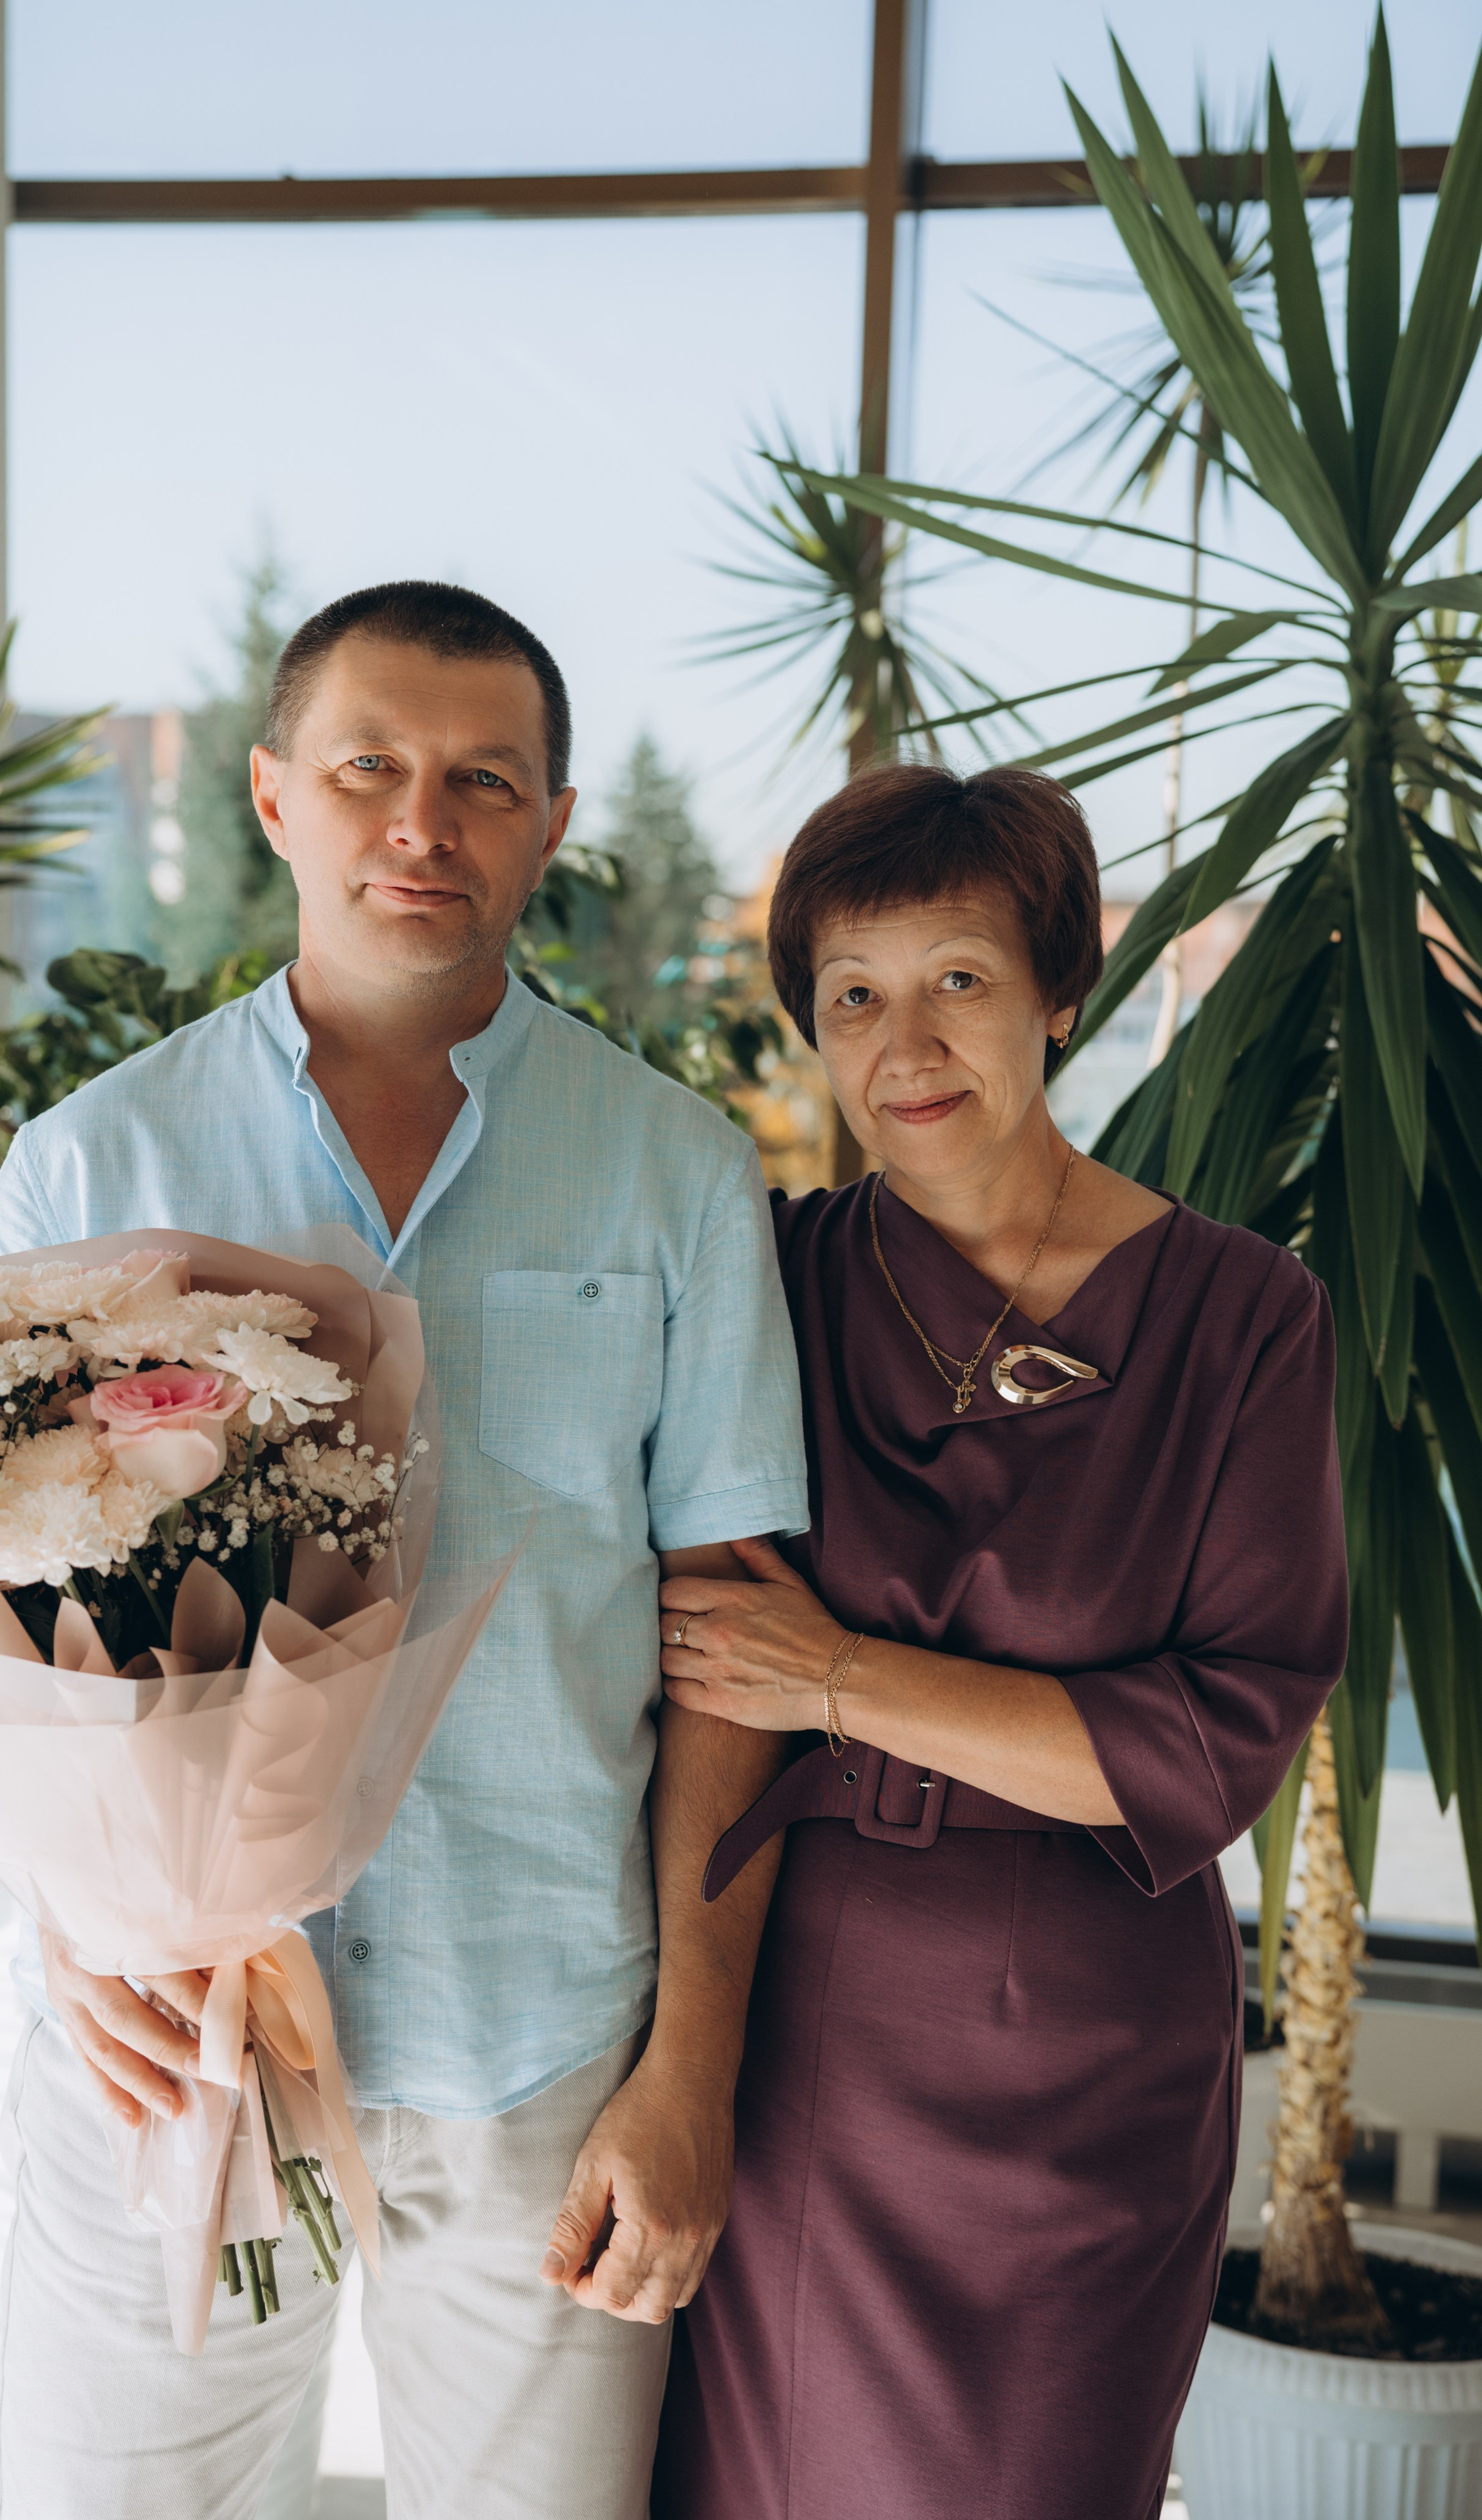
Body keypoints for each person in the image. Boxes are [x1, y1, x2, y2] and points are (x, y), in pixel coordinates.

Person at [0, 581, 808, 2520]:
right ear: (274, 801)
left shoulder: (676, 1171)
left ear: (553, 827)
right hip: (170, 2040)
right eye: (370, 770)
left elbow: (736, 1642)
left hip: (542, 2052)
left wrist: (690, 2069)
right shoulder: (92, 1168)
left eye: (483, 781)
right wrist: (68, 1918)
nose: (423, 822)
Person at [649, 763, 1348, 2520]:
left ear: (1059, 988)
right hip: (806, 2013)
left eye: (958, 978)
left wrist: (839, 1680)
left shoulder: (1245, 1314)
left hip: (1093, 2047)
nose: (907, 1044)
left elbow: (1217, 1738)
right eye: (853, 998)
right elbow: (676, 1637)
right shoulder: (765, 1273)